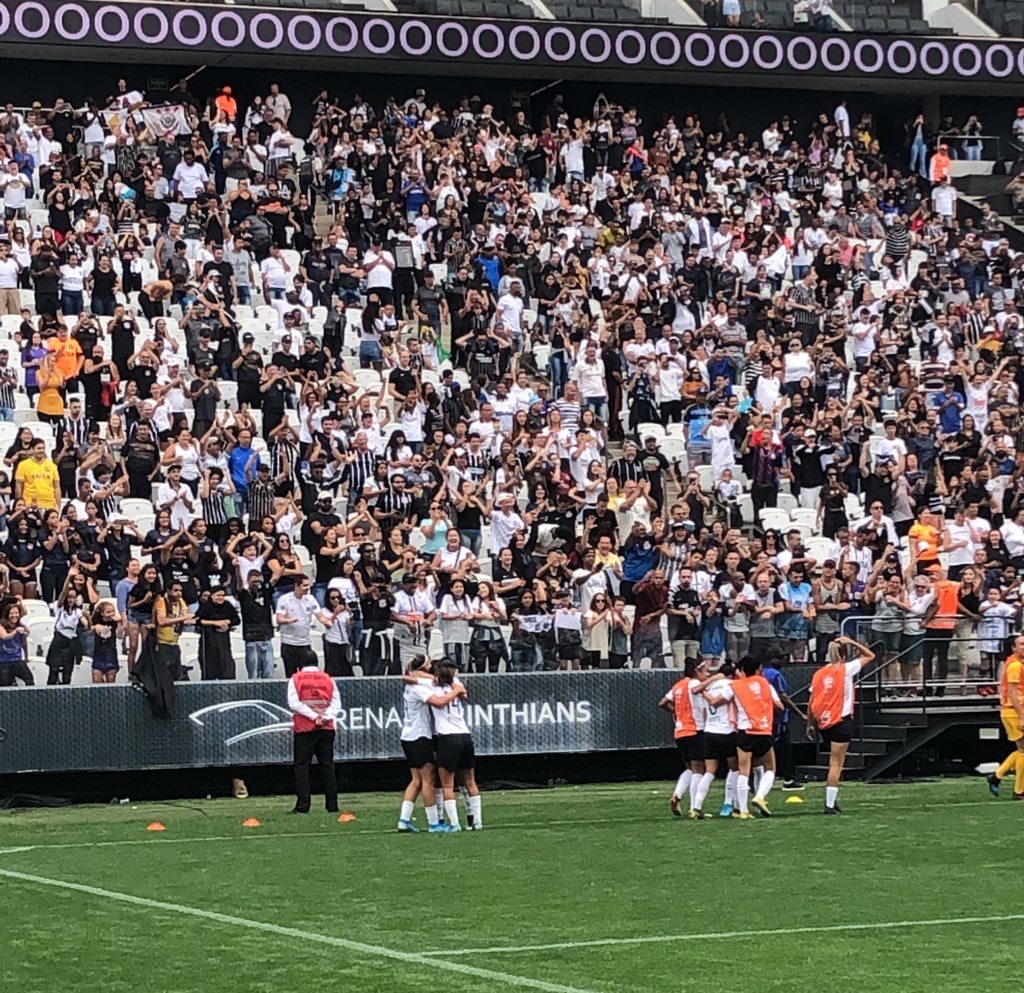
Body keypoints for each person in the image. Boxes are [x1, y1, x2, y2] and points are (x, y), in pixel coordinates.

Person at [704, 656, 783, 819]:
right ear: (757, 669)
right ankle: (760, 796)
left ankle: (743, 810)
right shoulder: (765, 684)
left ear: (741, 671)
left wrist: (702, 691)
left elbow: (715, 702)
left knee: (743, 771)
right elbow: (780, 706)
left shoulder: (734, 686)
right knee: (770, 768)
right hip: (763, 731)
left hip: (745, 732)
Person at [807, 635, 877, 814]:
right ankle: (829, 803)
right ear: (844, 655)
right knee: (836, 764)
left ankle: (832, 801)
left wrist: (810, 724)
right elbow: (870, 656)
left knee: (832, 762)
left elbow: (811, 700)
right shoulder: (846, 669)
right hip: (842, 720)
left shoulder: (819, 673)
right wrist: (853, 642)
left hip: (824, 722)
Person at [398, 655, 454, 833]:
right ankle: (433, 823)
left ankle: (404, 819)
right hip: (419, 736)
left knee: (416, 780)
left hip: (409, 735)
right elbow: (437, 702)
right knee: (427, 780)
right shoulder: (418, 687)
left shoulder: (414, 684)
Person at [429, 658, 481, 831]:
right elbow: (464, 695)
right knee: (470, 782)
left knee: (447, 784)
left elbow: (440, 701)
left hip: (448, 736)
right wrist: (456, 689)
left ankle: (454, 823)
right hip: (465, 734)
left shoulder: (432, 687)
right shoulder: (456, 684)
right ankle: (477, 822)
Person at [287, 659, 341, 814]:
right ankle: (332, 806)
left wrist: (313, 716)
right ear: (318, 664)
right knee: (328, 766)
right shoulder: (328, 678)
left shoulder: (296, 678)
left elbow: (294, 703)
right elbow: (336, 703)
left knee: (302, 767)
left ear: (299, 666)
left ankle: (303, 806)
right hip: (326, 727)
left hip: (304, 728)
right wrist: (324, 716)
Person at [659, 658, 709, 818]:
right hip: (694, 730)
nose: (707, 675)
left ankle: (677, 795)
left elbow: (663, 703)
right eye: (705, 671)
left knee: (689, 768)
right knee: (698, 770)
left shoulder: (679, 685)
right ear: (697, 672)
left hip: (680, 731)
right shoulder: (694, 684)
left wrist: (677, 712)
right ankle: (695, 807)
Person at [987, 635, 1024, 800]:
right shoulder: (1015, 665)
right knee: (1023, 751)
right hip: (1014, 711)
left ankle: (997, 775)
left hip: (1013, 711)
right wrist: (1022, 716)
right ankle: (1019, 790)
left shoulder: (1014, 663)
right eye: (1022, 644)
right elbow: (1012, 693)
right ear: (1013, 648)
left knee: (1022, 750)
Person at [276, 575, 322, 676]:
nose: (307, 588)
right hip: (289, 643)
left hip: (305, 643)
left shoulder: (310, 599)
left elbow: (320, 616)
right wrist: (289, 620)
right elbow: (279, 618)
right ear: (296, 586)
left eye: (308, 585)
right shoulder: (285, 599)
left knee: (307, 674)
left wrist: (332, 619)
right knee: (291, 674)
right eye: (304, 585)